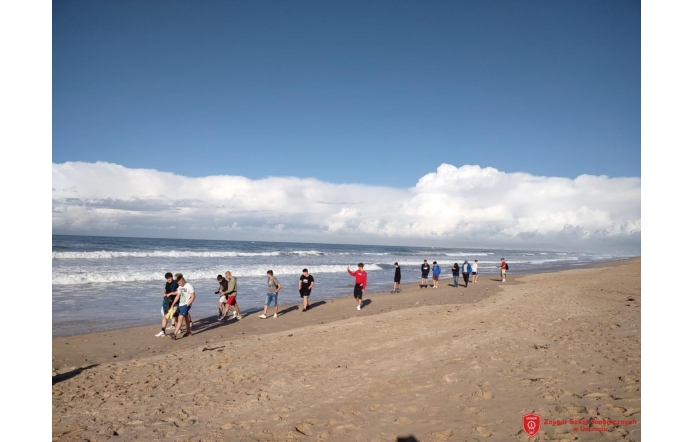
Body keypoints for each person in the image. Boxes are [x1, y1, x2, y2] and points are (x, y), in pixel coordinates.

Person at [171, 274, 195, 339]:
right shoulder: (180, 287)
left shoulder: (189, 286)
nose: (179, 285)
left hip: (186, 305)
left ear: (183, 280)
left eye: (180, 283)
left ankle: (174, 334)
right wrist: (173, 304)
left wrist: (188, 304)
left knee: (180, 318)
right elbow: (178, 296)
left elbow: (193, 296)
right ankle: (189, 332)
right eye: (178, 283)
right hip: (181, 304)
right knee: (186, 318)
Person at [156, 272, 179, 337]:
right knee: (164, 315)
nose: (169, 279)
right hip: (167, 301)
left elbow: (178, 292)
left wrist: (171, 293)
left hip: (174, 302)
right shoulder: (167, 283)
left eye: (170, 278)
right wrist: (164, 293)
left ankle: (178, 328)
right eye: (167, 278)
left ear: (172, 277)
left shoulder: (175, 283)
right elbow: (166, 290)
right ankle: (163, 330)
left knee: (176, 316)